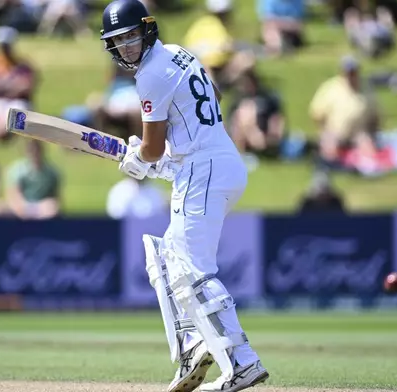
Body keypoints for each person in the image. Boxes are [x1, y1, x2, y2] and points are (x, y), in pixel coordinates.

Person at [99, 1, 269, 392]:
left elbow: (153, 150)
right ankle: (194, 344)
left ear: (146, 29)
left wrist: (137, 160)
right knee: (166, 259)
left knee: (191, 268)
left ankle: (242, 361)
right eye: (117, 41)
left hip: (204, 168)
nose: (126, 47)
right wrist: (159, 156)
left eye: (130, 37)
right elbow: (215, 98)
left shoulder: (149, 76)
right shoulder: (179, 53)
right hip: (215, 159)